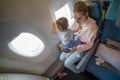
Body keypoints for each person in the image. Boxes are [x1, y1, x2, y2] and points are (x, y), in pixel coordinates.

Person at [59, 1, 98, 73]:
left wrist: (75, 49)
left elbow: (89, 45)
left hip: (80, 48)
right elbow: (69, 32)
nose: (76, 20)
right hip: (72, 42)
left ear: (86, 14)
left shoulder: (91, 27)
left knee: (66, 64)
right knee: (61, 58)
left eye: (79, 18)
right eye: (74, 17)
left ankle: (77, 71)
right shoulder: (75, 21)